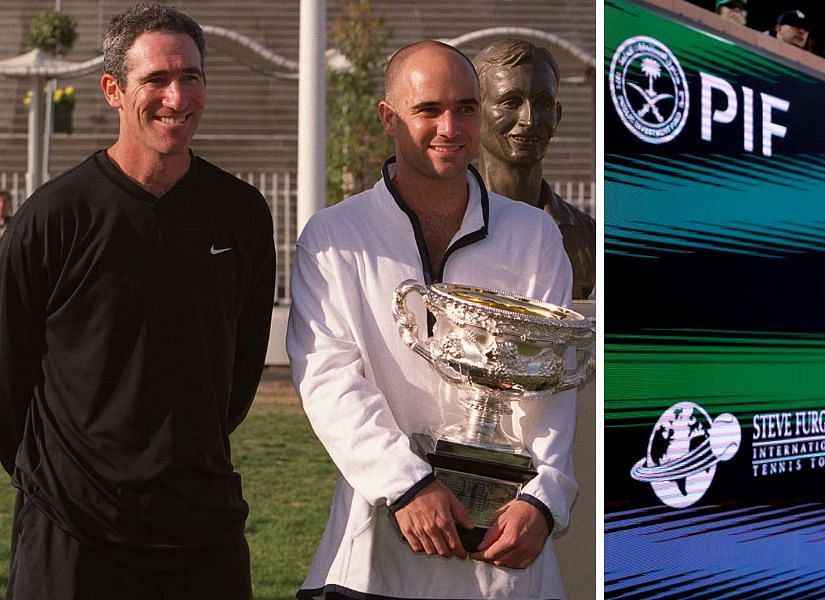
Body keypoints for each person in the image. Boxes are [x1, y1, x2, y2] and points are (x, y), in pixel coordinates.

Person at [0, 3, 275, 599]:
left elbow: (239, 370)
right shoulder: (54, 217)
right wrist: (65, 476)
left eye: (191, 78)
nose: (177, 97)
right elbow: (7, 374)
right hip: (73, 535)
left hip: (202, 531)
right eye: (156, 79)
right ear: (113, 90)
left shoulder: (241, 214)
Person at [288, 40, 577, 599]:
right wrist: (407, 485)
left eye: (466, 108)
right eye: (429, 111)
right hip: (377, 554)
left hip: (506, 555)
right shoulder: (335, 237)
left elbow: (552, 386)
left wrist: (544, 498)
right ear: (388, 119)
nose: (452, 127)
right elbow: (328, 380)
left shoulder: (534, 235)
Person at [474, 39, 596, 299]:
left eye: (542, 104)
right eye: (510, 102)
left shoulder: (588, 238)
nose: (529, 120)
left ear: (558, 116)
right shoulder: (444, 225)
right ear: (475, 112)